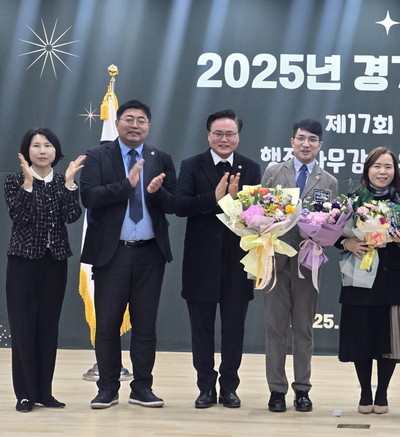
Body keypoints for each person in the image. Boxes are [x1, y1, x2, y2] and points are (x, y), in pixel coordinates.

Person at [80, 99, 176, 409]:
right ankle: (107, 387)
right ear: (118, 122)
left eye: (141, 120)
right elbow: (89, 197)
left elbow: (173, 203)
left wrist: (156, 193)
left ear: (149, 126)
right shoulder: (97, 156)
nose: (135, 125)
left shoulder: (160, 158)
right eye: (129, 119)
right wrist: (127, 184)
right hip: (112, 254)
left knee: (145, 325)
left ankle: (142, 387)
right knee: (108, 324)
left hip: (150, 254)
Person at [174, 109, 262, 409]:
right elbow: (180, 205)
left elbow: (257, 216)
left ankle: (229, 387)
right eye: (218, 133)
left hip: (238, 262)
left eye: (230, 134)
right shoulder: (191, 165)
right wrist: (216, 198)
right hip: (200, 264)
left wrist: (236, 202)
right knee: (201, 331)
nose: (224, 139)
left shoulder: (251, 168)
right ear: (209, 134)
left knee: (234, 331)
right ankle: (205, 388)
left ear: (238, 136)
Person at [260, 118, 338, 413]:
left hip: (308, 262)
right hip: (275, 260)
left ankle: (302, 389)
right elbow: (259, 211)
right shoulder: (274, 172)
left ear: (320, 145)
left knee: (304, 328)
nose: (306, 144)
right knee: (275, 328)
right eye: (301, 138)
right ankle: (276, 390)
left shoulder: (328, 181)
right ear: (292, 141)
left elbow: (331, 221)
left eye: (312, 140)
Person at [4, 128, 84, 412]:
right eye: (35, 145)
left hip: (55, 262)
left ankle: (44, 393)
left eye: (47, 145)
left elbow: (72, 216)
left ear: (55, 151)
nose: (42, 150)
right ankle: (25, 394)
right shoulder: (15, 181)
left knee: (48, 327)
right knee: (23, 327)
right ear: (27, 152)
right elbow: (20, 216)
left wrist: (71, 184)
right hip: (23, 263)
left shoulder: (62, 181)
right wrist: (28, 185)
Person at [337, 147, 400, 414]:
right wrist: (347, 242)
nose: (382, 172)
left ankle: (382, 393)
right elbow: (333, 232)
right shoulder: (353, 199)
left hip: (391, 278)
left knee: (388, 340)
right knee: (361, 337)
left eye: (388, 167)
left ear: (395, 171)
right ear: (367, 169)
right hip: (358, 276)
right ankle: (365, 392)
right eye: (377, 166)